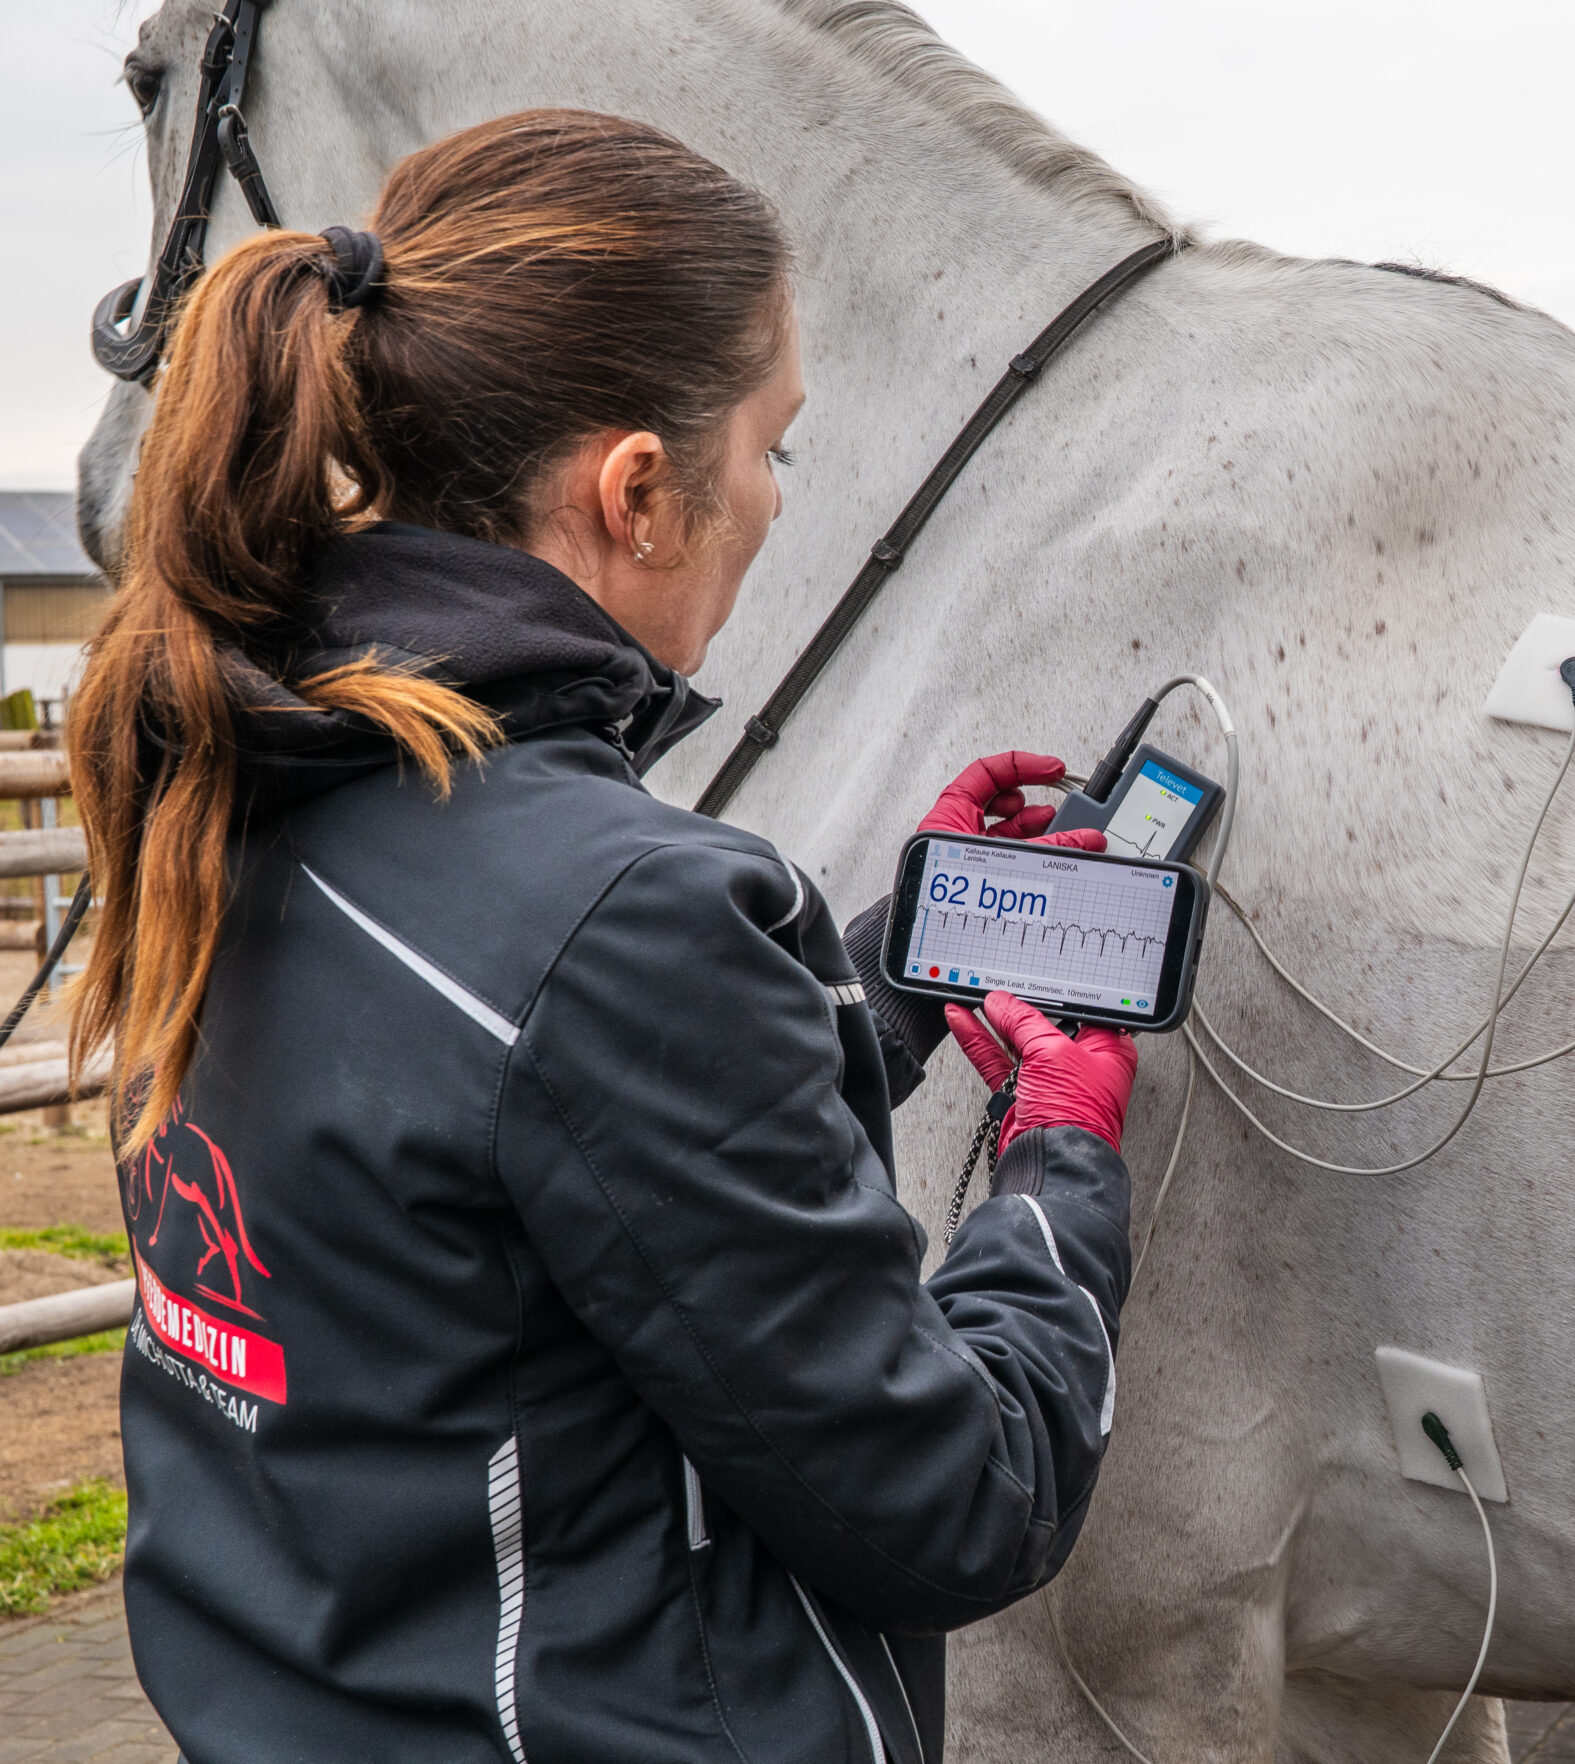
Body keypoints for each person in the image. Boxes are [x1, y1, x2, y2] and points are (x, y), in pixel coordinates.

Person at [69, 109, 1137, 1764]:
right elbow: (960, 1504)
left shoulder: (232, 770)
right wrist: (1058, 1168)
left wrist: (882, 977)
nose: (772, 498)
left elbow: (524, 1131)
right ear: (636, 490)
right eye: (773, 447)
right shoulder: (625, 915)